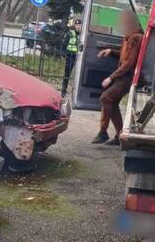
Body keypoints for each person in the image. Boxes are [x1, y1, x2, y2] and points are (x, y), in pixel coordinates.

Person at [92, 11, 143, 145]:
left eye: (122, 21)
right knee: (112, 102)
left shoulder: (135, 38)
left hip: (128, 77)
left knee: (106, 97)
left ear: (129, 22)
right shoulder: (130, 37)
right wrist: (111, 51)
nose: (120, 24)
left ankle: (103, 132)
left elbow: (129, 63)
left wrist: (111, 77)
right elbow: (126, 55)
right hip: (124, 76)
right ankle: (118, 135)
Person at [61, 18, 82, 96]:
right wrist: (64, 54)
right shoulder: (70, 33)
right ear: (75, 25)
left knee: (78, 75)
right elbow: (64, 44)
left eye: (80, 25)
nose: (78, 26)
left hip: (79, 57)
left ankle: (76, 92)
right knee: (67, 74)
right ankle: (63, 90)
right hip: (70, 56)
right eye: (77, 25)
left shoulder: (83, 35)